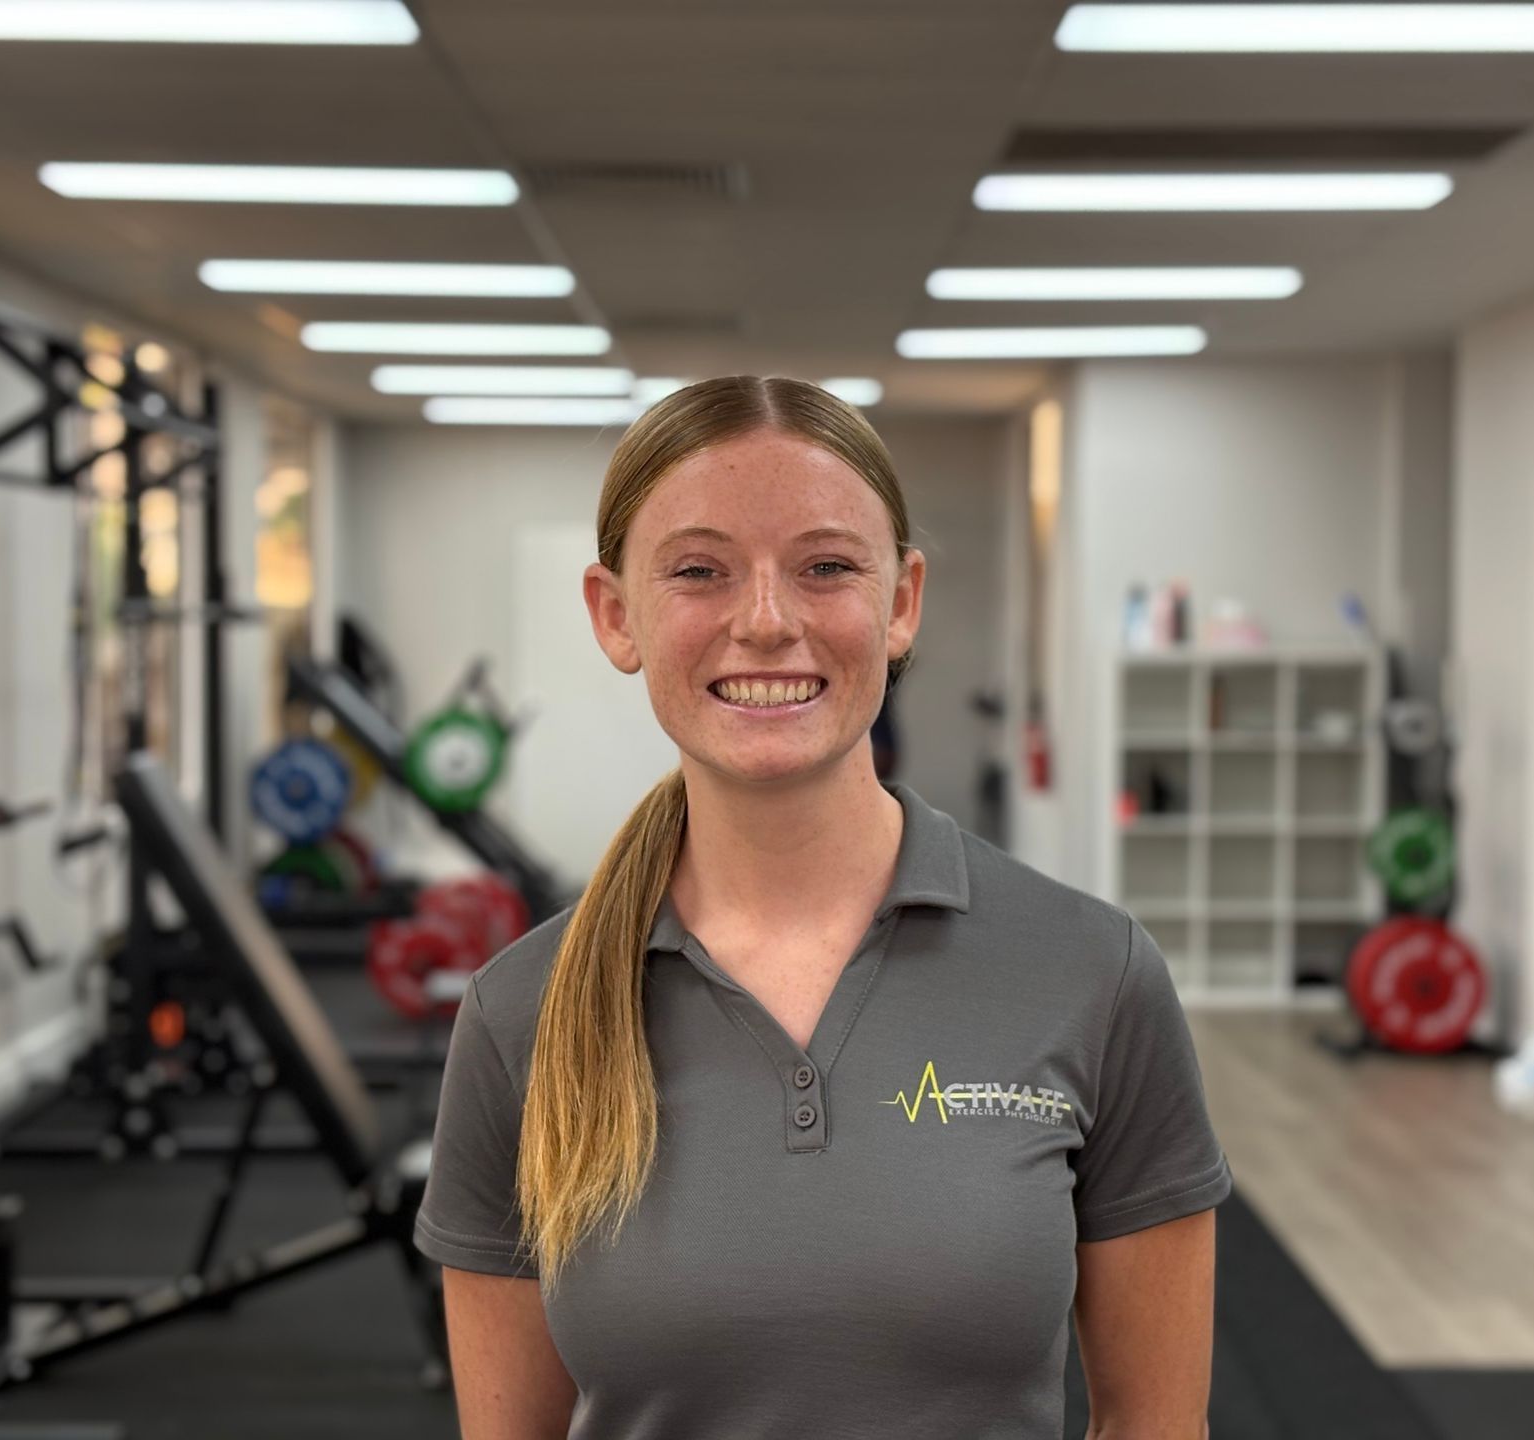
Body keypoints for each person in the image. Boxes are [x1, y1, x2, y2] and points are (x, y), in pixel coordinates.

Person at [413, 376, 1231, 1439]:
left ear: (902, 602)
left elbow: (1157, 1427)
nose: (766, 622)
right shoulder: (520, 1013)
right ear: (616, 616)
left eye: (828, 567)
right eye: (698, 571)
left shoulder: (1092, 972)